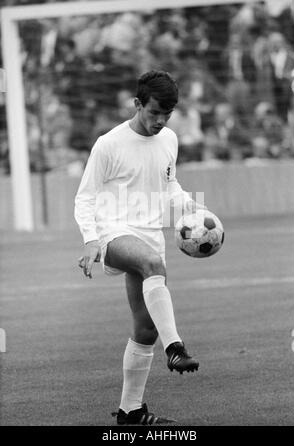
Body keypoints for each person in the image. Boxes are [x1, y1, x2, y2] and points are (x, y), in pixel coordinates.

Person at [74, 70, 202, 425]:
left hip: (150, 235)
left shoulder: (170, 140)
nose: (160, 121)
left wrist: (192, 208)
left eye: (167, 114)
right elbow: (85, 198)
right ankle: (174, 347)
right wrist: (89, 240)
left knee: (144, 329)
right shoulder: (109, 144)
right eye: (154, 112)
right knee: (149, 263)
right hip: (112, 235)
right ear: (137, 104)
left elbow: (169, 183)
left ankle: (131, 411)